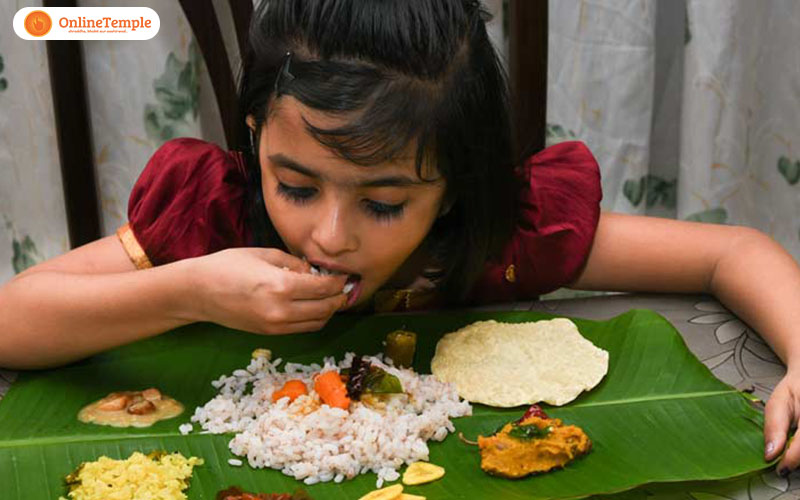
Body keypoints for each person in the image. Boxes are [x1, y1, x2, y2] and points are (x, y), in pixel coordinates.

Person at [0, 0, 799, 475]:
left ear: (453, 186)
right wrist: (191, 288)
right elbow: (12, 320)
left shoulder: (502, 234)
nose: (330, 233)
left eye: (384, 203)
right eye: (297, 185)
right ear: (252, 139)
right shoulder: (211, 219)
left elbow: (731, 254)